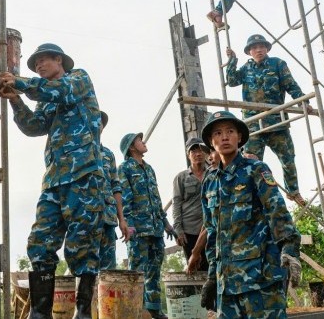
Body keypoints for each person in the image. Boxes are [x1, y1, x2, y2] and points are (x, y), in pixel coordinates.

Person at [0, 44, 104, 319]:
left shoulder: (78, 79)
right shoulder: (45, 96)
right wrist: (15, 99)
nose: (39, 67)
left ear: (59, 60)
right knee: (40, 243)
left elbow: (62, 91)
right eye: (34, 65)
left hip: (83, 174)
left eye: (43, 61)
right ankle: (40, 313)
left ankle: (83, 312)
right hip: (54, 181)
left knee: (81, 246)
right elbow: (33, 126)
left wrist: (20, 82)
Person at [199, 111, 301, 318]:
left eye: (230, 131)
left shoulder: (256, 170)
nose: (224, 137)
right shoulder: (210, 183)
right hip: (226, 285)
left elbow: (277, 210)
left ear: (240, 137)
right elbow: (212, 232)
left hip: (260, 278)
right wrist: (211, 277)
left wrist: (290, 250)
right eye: (218, 133)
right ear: (211, 141)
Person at [226, 34, 308, 205]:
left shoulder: (277, 64)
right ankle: (252, 195)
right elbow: (232, 81)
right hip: (253, 125)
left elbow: (290, 84)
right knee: (250, 161)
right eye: (254, 48)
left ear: (267, 48)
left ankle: (293, 191)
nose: (258, 50)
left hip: (276, 122)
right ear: (249, 52)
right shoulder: (246, 68)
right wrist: (232, 60)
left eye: (261, 46)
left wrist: (303, 102)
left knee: (288, 158)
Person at [119, 132, 176, 319]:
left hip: (156, 229)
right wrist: (129, 226)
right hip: (138, 231)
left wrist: (166, 223)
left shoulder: (149, 169)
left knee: (154, 271)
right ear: (131, 147)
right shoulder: (125, 168)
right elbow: (125, 200)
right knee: (136, 273)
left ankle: (153, 309)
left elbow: (156, 199)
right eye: (139, 140)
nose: (143, 142)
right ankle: (135, 310)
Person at [172, 137, 211, 274]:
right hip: (189, 231)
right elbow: (176, 203)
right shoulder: (181, 178)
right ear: (188, 155)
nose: (198, 154)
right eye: (193, 151)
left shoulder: (213, 173)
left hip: (210, 229)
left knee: (212, 268)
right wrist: (178, 229)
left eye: (200, 150)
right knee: (194, 268)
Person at [99, 112, 129, 270]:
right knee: (85, 270)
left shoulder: (108, 155)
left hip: (108, 219)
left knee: (108, 271)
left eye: (101, 122)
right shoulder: (76, 152)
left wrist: (122, 219)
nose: (98, 124)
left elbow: (116, 186)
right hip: (84, 219)